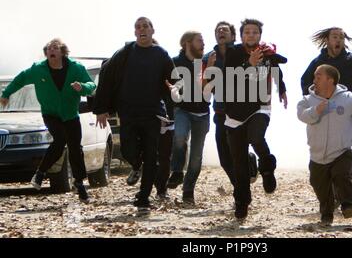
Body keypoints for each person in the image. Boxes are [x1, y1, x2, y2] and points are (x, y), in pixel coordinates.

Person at [93, 17, 175, 208]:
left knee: (150, 155)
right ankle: (136, 165)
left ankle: (143, 197)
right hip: (128, 111)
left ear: (153, 31)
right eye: (138, 27)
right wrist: (101, 109)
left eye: (145, 26)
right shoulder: (125, 53)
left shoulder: (161, 54)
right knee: (129, 150)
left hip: (153, 112)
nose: (142, 29)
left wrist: (175, 92)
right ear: (135, 32)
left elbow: (174, 80)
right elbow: (106, 76)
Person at [0, 38, 95, 203]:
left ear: (62, 52)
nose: (51, 50)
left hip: (70, 114)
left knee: (75, 148)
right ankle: (40, 173)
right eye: (49, 48)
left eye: (55, 48)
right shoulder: (38, 69)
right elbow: (20, 79)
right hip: (50, 114)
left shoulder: (76, 68)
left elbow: (91, 85)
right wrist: (6, 94)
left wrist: (83, 87)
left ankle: (79, 184)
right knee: (59, 140)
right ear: (47, 53)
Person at [297, 64, 352, 227]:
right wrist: (316, 110)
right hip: (317, 155)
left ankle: (349, 205)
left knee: (341, 175)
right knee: (318, 184)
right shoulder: (308, 100)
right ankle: (326, 214)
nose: (314, 80)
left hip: (341, 151)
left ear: (331, 79)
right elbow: (302, 115)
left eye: (318, 76)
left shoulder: (348, 98)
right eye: (314, 76)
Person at [224, 18, 288, 219]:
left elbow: (276, 68)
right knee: (240, 163)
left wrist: (282, 89)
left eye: (255, 32)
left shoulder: (266, 52)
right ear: (241, 36)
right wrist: (247, 64)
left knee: (256, 137)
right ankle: (242, 201)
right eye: (247, 32)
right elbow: (226, 78)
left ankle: (267, 168)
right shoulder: (233, 53)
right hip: (234, 112)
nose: (251, 35)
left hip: (260, 106)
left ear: (260, 35)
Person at [201, 21, 258, 188]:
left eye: (225, 30)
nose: (221, 31)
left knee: (237, 152)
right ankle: (240, 186)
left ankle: (240, 191)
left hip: (242, 111)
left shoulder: (244, 52)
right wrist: (208, 69)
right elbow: (204, 88)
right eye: (217, 30)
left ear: (233, 36)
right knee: (225, 159)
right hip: (220, 111)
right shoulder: (208, 57)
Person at [166, 31, 211, 204]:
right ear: (187, 43)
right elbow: (167, 85)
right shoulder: (174, 63)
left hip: (202, 113)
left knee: (196, 158)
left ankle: (188, 190)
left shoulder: (206, 63)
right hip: (182, 110)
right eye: (200, 40)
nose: (203, 44)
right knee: (179, 137)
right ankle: (177, 171)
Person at [301, 27, 352, 113]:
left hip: (346, 111)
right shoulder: (317, 63)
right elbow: (305, 83)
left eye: (341, 37)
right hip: (322, 112)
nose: (338, 40)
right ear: (326, 40)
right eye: (335, 37)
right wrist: (312, 102)